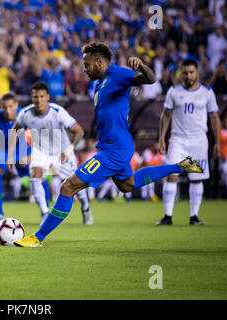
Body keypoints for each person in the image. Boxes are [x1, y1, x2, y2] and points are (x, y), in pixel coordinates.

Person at [14, 42, 203, 247]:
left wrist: (140, 65)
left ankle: (37, 238)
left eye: (86, 64)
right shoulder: (99, 83)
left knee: (68, 186)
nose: (84, 69)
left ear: (99, 61)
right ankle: (181, 166)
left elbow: (150, 79)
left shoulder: (118, 74)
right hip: (113, 146)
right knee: (127, 185)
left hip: (114, 149)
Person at [7, 82, 93, 226]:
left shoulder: (58, 112)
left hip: (62, 151)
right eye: (35, 97)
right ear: (32, 97)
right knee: (35, 175)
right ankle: (44, 212)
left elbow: (79, 131)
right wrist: (10, 154)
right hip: (41, 151)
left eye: (41, 96)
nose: (38, 100)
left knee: (76, 185)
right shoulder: (26, 114)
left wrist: (70, 148)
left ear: (47, 97)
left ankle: (85, 207)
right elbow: (15, 131)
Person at [157, 59, 222, 226]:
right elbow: (165, 115)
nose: (188, 75)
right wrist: (161, 138)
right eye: (185, 72)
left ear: (197, 73)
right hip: (177, 139)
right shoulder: (173, 91)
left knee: (196, 178)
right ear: (181, 73)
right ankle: (168, 216)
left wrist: (218, 143)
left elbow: (214, 117)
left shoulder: (207, 93)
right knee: (171, 174)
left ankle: (194, 216)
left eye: (191, 72)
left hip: (198, 140)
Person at [0, 92, 51, 225]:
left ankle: (45, 212)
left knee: (39, 176)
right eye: (4, 107)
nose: (7, 110)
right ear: (0, 107)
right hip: (1, 150)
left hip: (23, 150)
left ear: (16, 105)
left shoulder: (26, 115)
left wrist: (30, 156)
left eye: (10, 106)